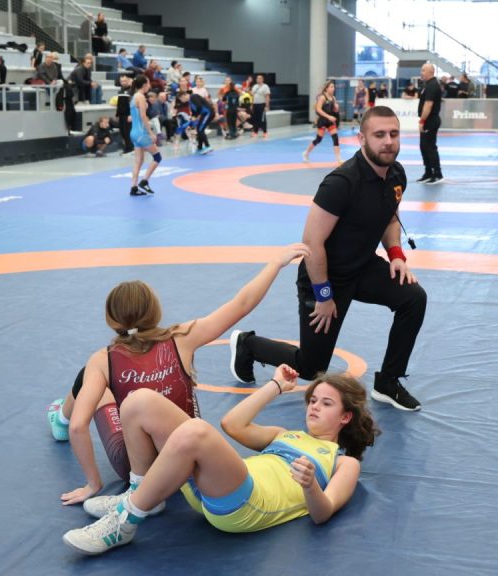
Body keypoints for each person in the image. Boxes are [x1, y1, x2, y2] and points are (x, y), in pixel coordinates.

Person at [48, 243, 311, 506]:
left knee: (94, 382)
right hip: (186, 460)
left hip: (137, 469)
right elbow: (242, 304)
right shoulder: (181, 338)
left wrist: (93, 484)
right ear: (155, 311)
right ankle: (63, 415)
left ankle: (61, 417)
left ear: (111, 319)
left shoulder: (103, 359)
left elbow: (79, 426)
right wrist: (276, 263)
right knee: (171, 386)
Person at [229, 106, 427, 412]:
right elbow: (312, 242)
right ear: (362, 138)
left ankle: (388, 381)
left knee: (413, 298)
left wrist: (396, 255)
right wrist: (323, 295)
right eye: (379, 135)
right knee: (311, 368)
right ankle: (248, 345)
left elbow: (391, 218)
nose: (388, 141)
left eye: (394, 133)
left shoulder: (396, 173)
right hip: (324, 277)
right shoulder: (341, 183)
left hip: (362, 267)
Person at [62, 365, 377, 555]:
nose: (314, 407)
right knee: (139, 401)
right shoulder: (285, 434)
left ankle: (124, 523)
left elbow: (323, 513)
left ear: (345, 417)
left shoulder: (343, 463)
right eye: (313, 400)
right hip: (216, 489)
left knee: (197, 431)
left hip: (248, 506)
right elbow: (232, 424)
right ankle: (142, 494)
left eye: (326, 403)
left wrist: (310, 486)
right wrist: (275, 386)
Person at [128, 74, 162, 195]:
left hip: (134, 133)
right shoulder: (141, 97)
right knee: (157, 157)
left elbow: (134, 116)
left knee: (138, 161)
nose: (149, 85)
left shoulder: (134, 97)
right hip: (141, 133)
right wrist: (151, 133)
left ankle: (133, 187)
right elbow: (143, 116)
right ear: (144, 85)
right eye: (148, 83)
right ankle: (144, 181)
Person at [417, 63, 443, 184]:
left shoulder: (432, 85)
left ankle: (437, 174)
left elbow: (428, 105)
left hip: (431, 120)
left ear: (430, 72)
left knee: (430, 147)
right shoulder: (427, 85)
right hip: (428, 120)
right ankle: (428, 172)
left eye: (423, 70)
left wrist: (422, 121)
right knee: (424, 147)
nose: (421, 72)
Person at [302, 80, 341, 164]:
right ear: (326, 88)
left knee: (335, 138)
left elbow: (335, 110)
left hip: (330, 121)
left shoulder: (333, 98)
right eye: (331, 87)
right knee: (318, 139)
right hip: (323, 120)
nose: (333, 88)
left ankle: (338, 159)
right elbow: (318, 109)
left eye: (333, 87)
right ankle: (306, 153)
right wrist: (329, 117)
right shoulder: (322, 97)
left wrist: (336, 108)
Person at [177, 90, 214, 155]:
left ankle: (208, 146)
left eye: (181, 99)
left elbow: (199, 107)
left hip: (208, 112)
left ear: (183, 96)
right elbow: (194, 112)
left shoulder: (193, 97)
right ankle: (200, 147)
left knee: (200, 130)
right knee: (198, 129)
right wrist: (192, 117)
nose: (181, 101)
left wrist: (196, 116)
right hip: (204, 114)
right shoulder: (190, 102)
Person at [114, 74, 133, 154]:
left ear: (128, 81)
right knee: (122, 132)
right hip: (121, 114)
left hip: (128, 114)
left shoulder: (131, 90)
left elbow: (132, 104)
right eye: (121, 81)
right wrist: (117, 114)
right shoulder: (121, 90)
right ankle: (127, 148)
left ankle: (130, 148)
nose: (123, 82)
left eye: (125, 81)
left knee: (127, 132)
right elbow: (119, 103)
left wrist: (131, 115)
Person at [250, 74, 270, 138]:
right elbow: (252, 96)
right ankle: (255, 132)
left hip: (262, 104)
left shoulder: (265, 86)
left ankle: (265, 132)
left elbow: (267, 96)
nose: (258, 79)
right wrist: (251, 105)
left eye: (260, 78)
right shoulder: (254, 86)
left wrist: (266, 106)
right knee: (255, 119)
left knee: (263, 119)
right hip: (255, 104)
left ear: (262, 79)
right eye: (257, 78)